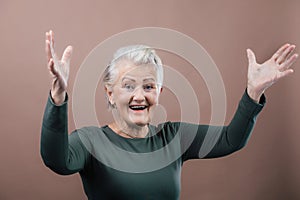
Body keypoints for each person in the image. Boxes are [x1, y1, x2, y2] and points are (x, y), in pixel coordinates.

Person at [41, 30, 298, 200]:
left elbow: (231, 139)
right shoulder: (90, 141)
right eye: (128, 86)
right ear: (110, 93)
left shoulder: (172, 136)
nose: (139, 96)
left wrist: (253, 93)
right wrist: (58, 96)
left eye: (148, 86)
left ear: (159, 92)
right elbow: (56, 160)